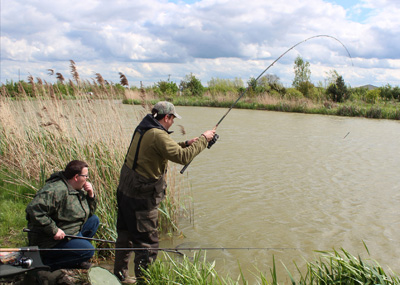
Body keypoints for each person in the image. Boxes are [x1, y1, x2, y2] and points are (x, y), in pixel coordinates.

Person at [114, 101, 216, 282]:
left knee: (125, 235)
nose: (173, 122)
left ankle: (120, 275)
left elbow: (161, 148)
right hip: (141, 198)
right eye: (173, 119)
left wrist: (186, 142)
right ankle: (145, 281)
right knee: (147, 244)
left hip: (125, 192)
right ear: (167, 117)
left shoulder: (144, 128)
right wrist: (203, 139)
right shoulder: (157, 134)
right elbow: (182, 157)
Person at [25, 160, 99, 271]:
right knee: (88, 250)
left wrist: (90, 196)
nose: (87, 178)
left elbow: (88, 213)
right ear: (76, 177)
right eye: (86, 176)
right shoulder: (55, 190)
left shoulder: (77, 189)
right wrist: (54, 230)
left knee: (94, 220)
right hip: (49, 240)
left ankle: (76, 257)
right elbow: (34, 210)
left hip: (70, 231)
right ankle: (47, 263)